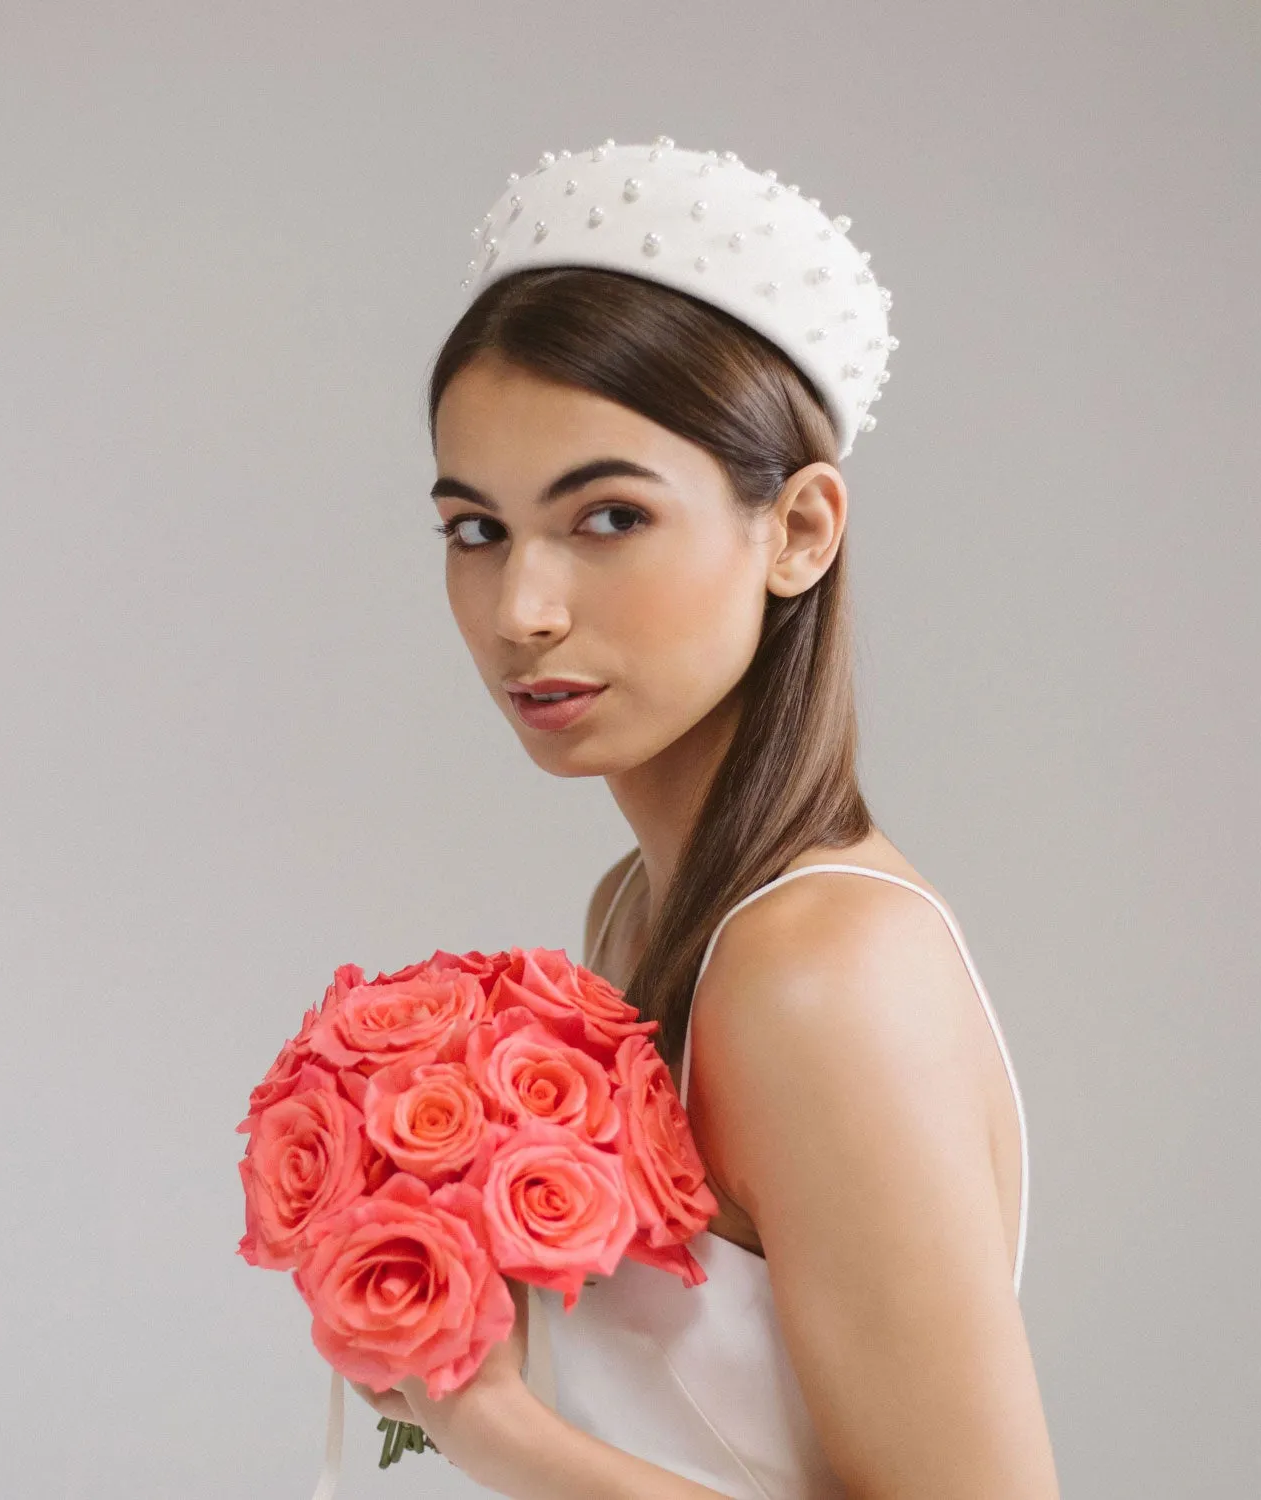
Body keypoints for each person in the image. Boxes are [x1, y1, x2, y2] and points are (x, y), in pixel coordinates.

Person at [334, 139, 1059, 1498]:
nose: (521, 610)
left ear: (796, 530)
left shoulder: (815, 973)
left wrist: (494, 1431)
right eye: (475, 529)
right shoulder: (645, 903)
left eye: (605, 516)